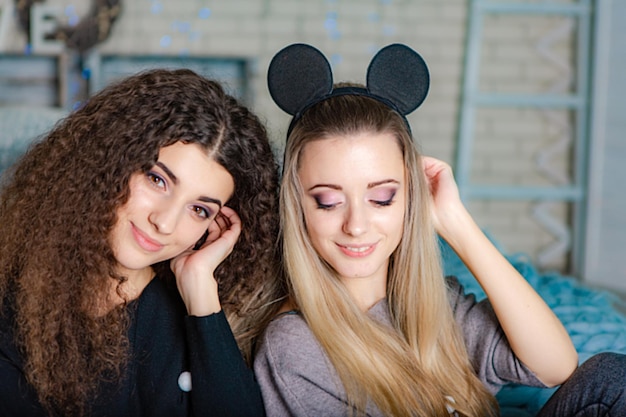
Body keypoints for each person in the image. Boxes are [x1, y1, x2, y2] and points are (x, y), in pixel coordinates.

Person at [253, 43, 626, 416]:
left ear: (410, 197)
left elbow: (556, 365)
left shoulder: (435, 305)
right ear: (297, 205)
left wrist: (457, 224)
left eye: (382, 198)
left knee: (610, 376)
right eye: (328, 202)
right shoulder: (294, 346)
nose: (356, 225)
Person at [0, 68, 282, 417]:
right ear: (111, 161)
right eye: (157, 180)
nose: (164, 222)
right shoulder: (12, 274)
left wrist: (201, 290)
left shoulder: (174, 320)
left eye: (198, 210)